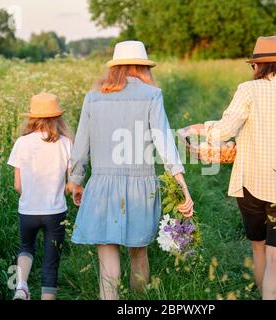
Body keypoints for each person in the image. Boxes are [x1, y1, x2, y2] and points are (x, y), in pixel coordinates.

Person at [190, 35, 276, 299]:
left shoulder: (248, 90)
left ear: (257, 66)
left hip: (252, 182)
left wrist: (205, 129)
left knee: (258, 248)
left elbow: (225, 130)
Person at [69, 41, 194, 300]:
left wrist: (76, 181)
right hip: (141, 188)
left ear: (114, 67)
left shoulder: (93, 97)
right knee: (138, 255)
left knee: (107, 257)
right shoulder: (151, 95)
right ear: (143, 67)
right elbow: (164, 143)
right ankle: (139, 303)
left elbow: (81, 144)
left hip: (102, 186)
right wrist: (181, 184)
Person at [7, 93, 73, 300]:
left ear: (32, 117)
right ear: (57, 117)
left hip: (28, 210)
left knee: (27, 247)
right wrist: (61, 190)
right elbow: (71, 184)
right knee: (51, 264)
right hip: (55, 212)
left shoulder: (22, 142)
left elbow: (18, 185)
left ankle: (22, 286)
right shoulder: (65, 143)